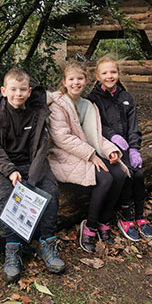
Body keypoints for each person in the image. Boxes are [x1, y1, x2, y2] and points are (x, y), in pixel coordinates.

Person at [0, 67, 65, 283]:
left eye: (22, 90)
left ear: (29, 92)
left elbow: (41, 147)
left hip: (32, 163)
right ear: (4, 90)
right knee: (8, 196)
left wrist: (34, 178)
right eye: (13, 89)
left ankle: (47, 243)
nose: (18, 94)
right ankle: (13, 248)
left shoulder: (36, 113)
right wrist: (10, 172)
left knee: (49, 191)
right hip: (4, 164)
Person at [47, 62, 130, 253]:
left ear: (86, 81)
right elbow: (62, 137)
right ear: (64, 82)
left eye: (79, 79)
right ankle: (90, 225)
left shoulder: (87, 105)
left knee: (118, 174)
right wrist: (91, 155)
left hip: (86, 151)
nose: (76, 83)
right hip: (64, 154)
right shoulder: (58, 104)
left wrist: (110, 150)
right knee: (106, 177)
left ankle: (104, 220)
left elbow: (94, 134)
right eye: (71, 79)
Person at [88, 55, 152, 242]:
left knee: (139, 174)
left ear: (119, 73)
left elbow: (134, 125)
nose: (110, 76)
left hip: (127, 146)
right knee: (126, 174)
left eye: (113, 72)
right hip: (109, 148)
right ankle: (126, 217)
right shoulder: (93, 99)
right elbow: (95, 125)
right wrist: (112, 136)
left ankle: (139, 216)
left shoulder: (126, 97)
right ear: (98, 76)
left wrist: (134, 148)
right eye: (105, 73)